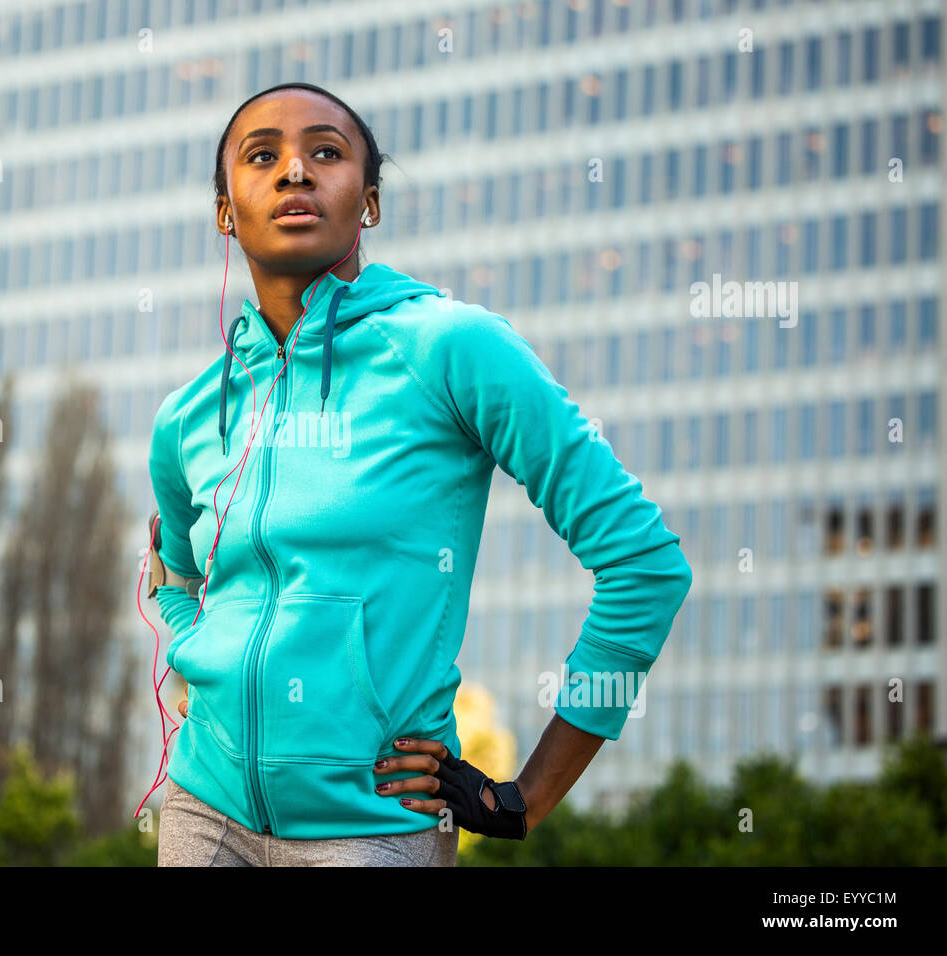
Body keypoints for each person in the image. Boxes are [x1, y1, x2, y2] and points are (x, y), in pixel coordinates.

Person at [145, 82, 693, 866]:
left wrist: (527, 797)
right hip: (203, 814)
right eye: (262, 155)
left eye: (326, 152)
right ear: (226, 212)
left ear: (368, 203)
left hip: (371, 827)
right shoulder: (189, 416)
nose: (295, 170)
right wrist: (193, 639)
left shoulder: (450, 348)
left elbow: (644, 563)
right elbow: (184, 574)